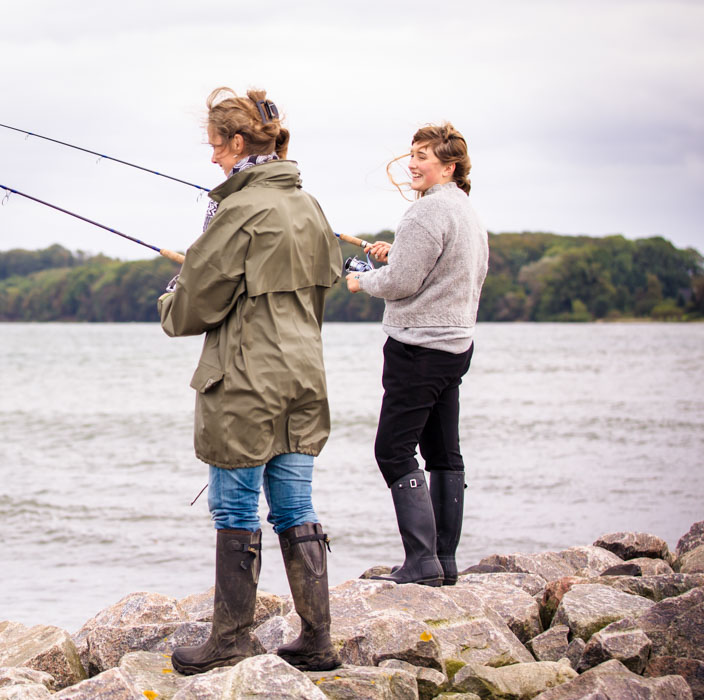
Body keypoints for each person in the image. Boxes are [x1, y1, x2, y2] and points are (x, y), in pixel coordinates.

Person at [157, 87, 342, 674]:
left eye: (215, 145)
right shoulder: (308, 205)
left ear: (238, 143)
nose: (212, 157)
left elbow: (190, 313)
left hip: (245, 377)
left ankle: (231, 639)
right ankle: (318, 640)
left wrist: (172, 295)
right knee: (295, 504)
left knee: (234, 506)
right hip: (303, 373)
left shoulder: (238, 210)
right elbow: (326, 276)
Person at [345, 122, 488, 587]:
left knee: (392, 450)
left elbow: (403, 283)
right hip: (455, 347)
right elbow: (439, 267)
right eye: (413, 154)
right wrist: (395, 253)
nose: (413, 163)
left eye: (424, 156)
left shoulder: (425, 213)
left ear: (449, 167)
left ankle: (422, 561)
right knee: (444, 452)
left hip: (417, 349)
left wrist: (362, 281)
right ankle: (443, 562)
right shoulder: (465, 210)